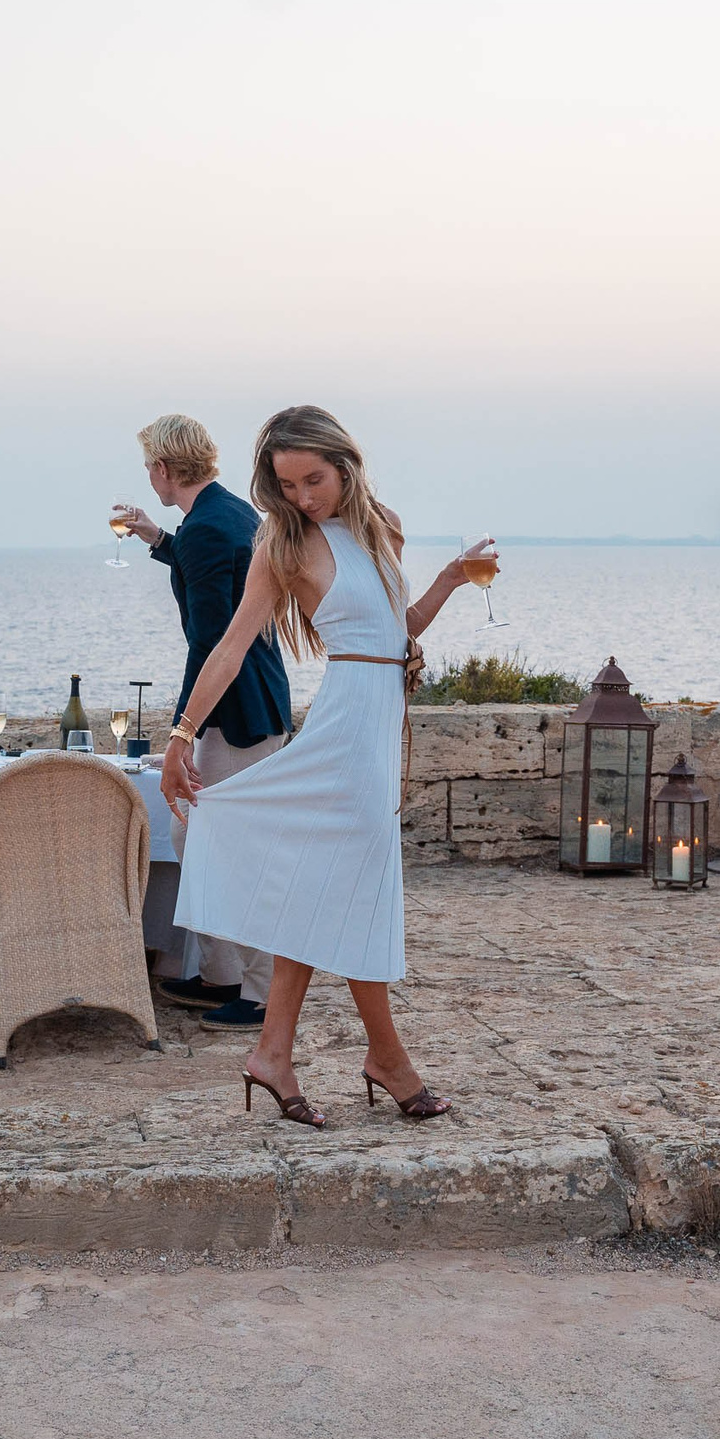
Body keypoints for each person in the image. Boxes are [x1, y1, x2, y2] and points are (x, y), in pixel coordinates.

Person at [161, 405, 493, 1127]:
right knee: (363, 889)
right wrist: (183, 733)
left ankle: (274, 1054)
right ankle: (388, 1060)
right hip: (344, 728)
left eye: (315, 479)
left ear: (345, 463)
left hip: (379, 720)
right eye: (288, 484)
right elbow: (230, 644)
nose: (305, 496)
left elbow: (396, 627)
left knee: (328, 890)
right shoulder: (282, 544)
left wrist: (452, 578)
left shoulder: (385, 526)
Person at [112, 414, 292, 1030]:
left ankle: (261, 989)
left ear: (163, 467)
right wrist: (158, 539)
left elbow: (212, 640)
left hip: (236, 710)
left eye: (148, 467)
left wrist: (180, 731)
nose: (149, 477)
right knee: (202, 837)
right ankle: (221, 974)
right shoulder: (226, 514)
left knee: (232, 845)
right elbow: (206, 570)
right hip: (251, 701)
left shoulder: (210, 528)